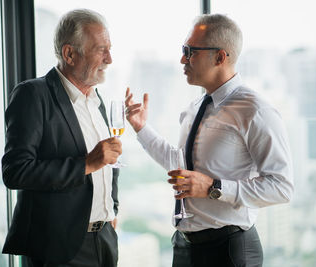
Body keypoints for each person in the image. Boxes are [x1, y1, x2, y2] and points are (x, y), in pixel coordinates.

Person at [125, 14, 294, 266]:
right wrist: (141, 128)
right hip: (184, 246)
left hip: (229, 249)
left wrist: (214, 187)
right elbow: (182, 164)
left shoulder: (255, 110)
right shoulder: (196, 106)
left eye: (190, 51)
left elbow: (282, 187)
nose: (182, 59)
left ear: (220, 57)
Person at [1, 9, 121, 267]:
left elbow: (109, 161)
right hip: (60, 248)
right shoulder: (32, 95)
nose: (109, 59)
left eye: (109, 49)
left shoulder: (96, 100)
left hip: (105, 238)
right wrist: (86, 164)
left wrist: (113, 210)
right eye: (101, 49)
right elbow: (15, 171)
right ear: (69, 53)